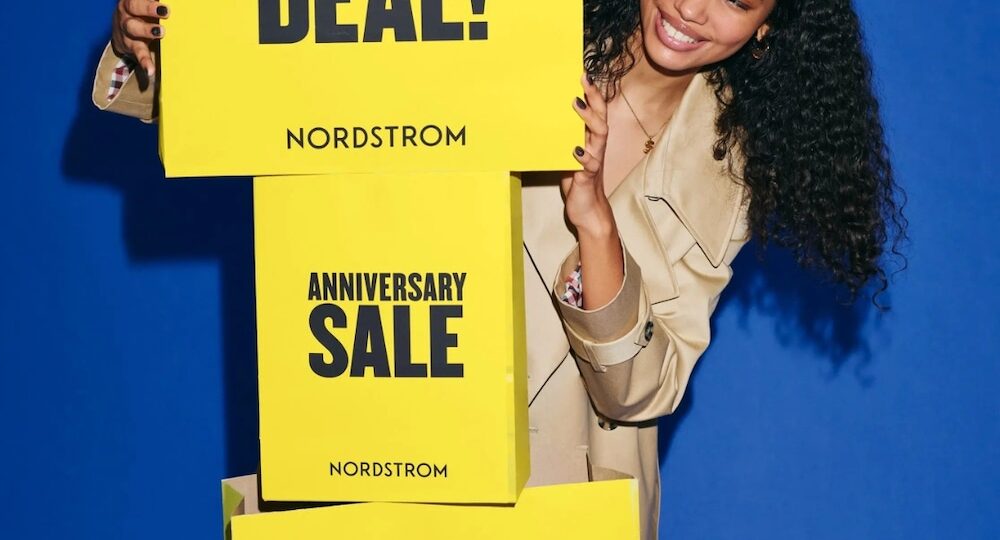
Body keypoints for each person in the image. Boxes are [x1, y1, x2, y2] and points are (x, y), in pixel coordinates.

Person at [94, 0, 907, 537]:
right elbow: (319, 91)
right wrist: (161, 47)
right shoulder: (511, 32)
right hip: (391, 449)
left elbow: (643, 391)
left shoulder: (733, 169)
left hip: (566, 499)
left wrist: (594, 220)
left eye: (737, 0)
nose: (693, 9)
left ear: (768, 27)